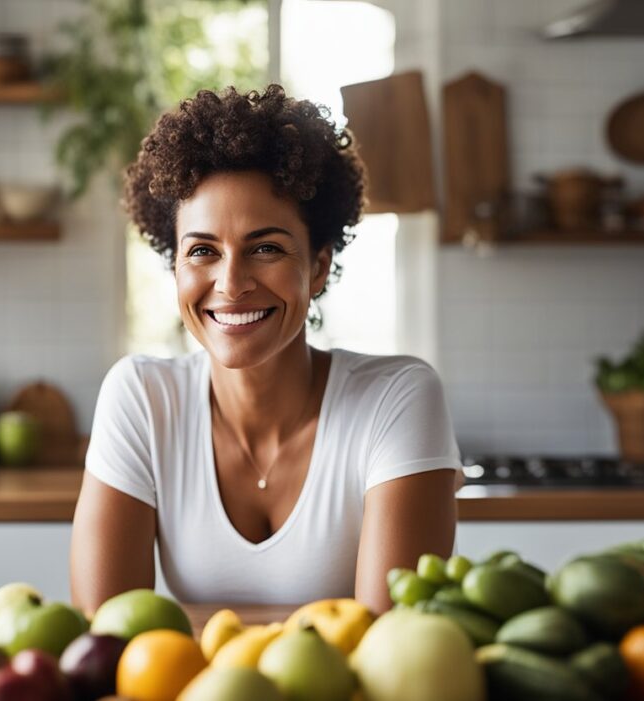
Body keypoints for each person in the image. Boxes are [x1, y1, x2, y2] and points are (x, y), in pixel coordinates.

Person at [71, 85, 460, 616]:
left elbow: (388, 639)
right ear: (176, 267)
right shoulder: (140, 397)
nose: (231, 284)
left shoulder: (395, 398)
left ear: (318, 267)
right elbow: (109, 638)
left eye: (266, 248)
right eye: (202, 250)